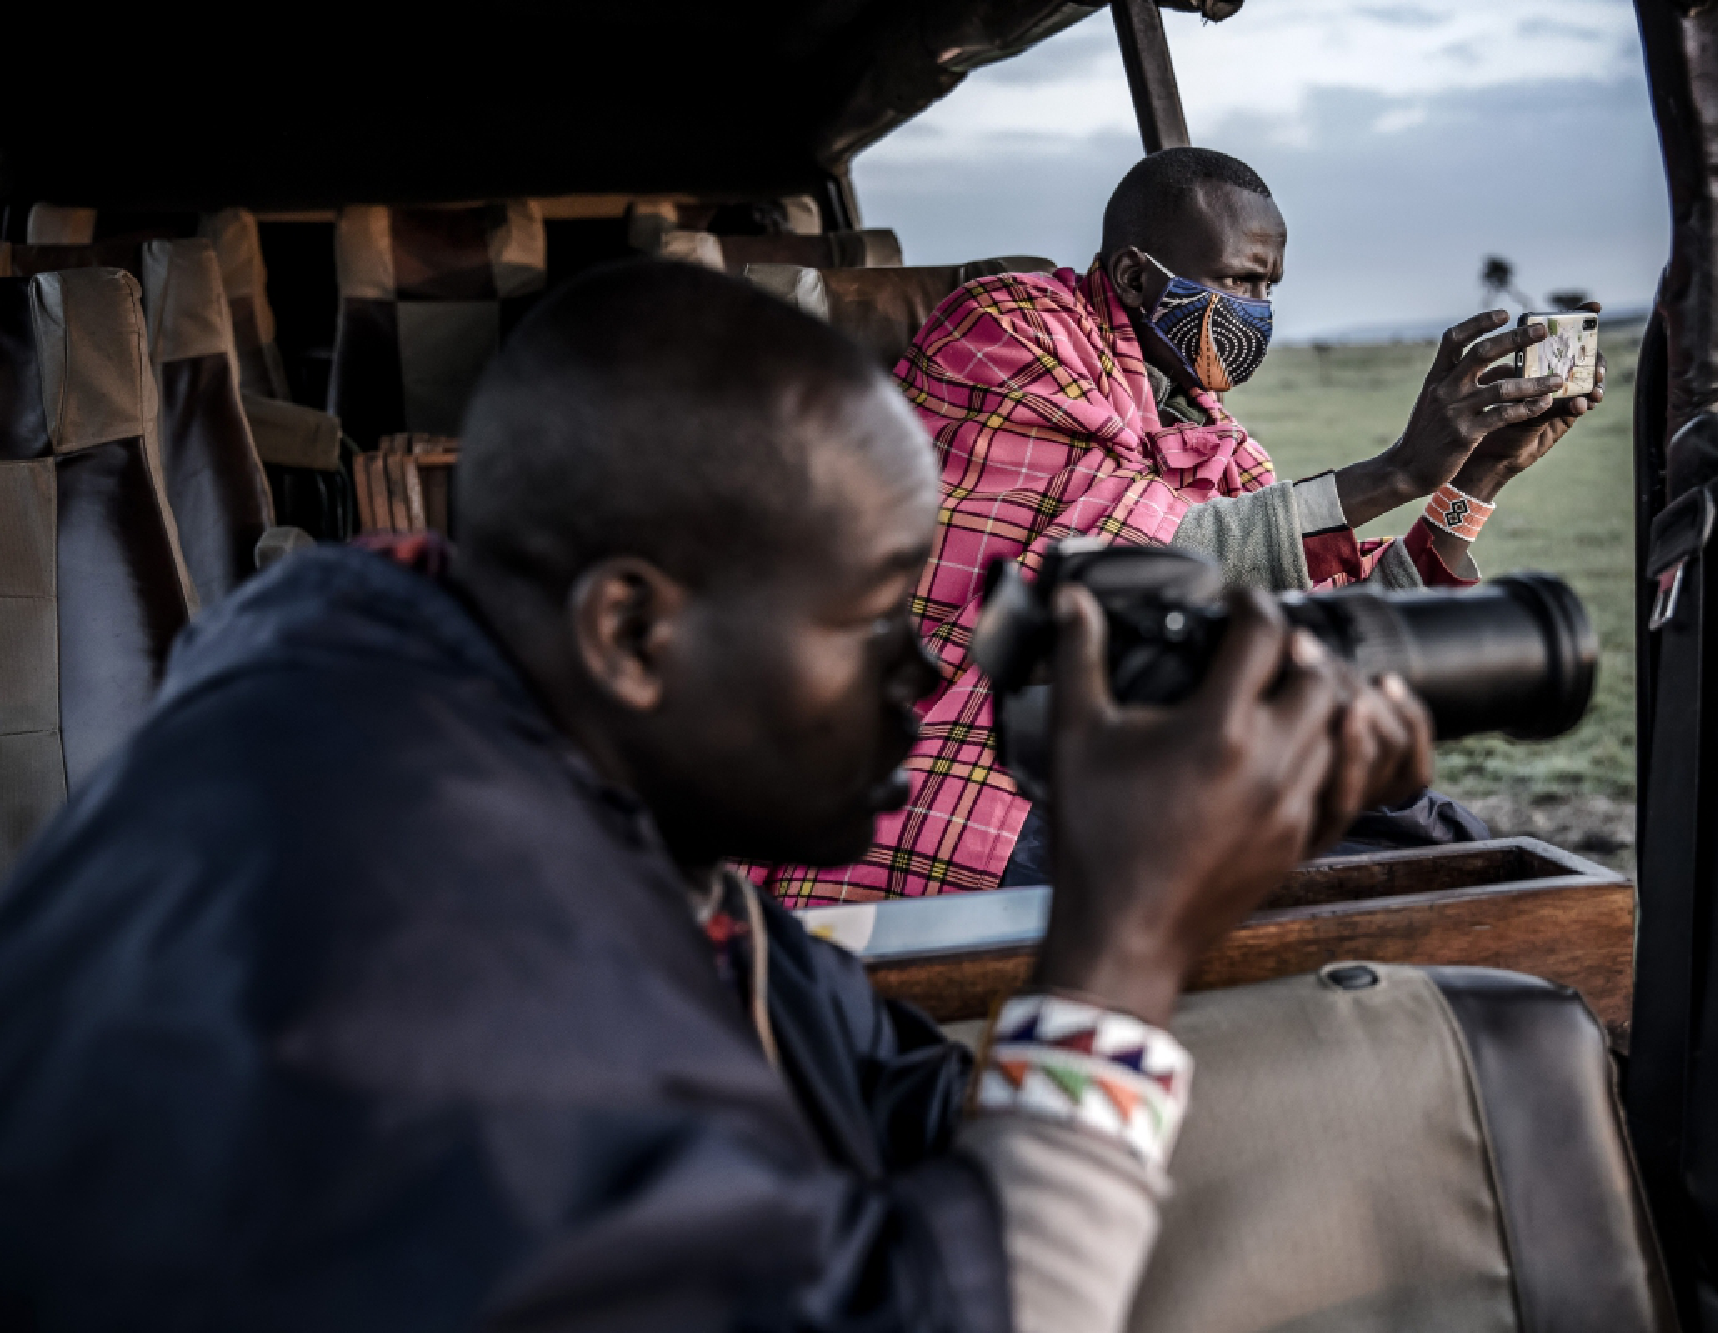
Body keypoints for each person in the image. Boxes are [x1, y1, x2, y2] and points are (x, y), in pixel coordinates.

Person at [0, 261, 1430, 1332]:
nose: (923, 666)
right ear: (632, 632)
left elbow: (818, 1043)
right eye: (874, 616)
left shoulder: (420, 688)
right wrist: (1127, 939)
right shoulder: (430, 965)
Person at [759, 147, 1607, 905]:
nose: (1258, 309)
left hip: (1138, 760)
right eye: (1239, 282)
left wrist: (1475, 476)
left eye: (1270, 287)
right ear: (1132, 278)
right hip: (970, 762)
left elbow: (1320, 631)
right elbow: (1117, 568)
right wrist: (1394, 473)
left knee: (1456, 855)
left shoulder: (1218, 442)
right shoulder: (1008, 327)